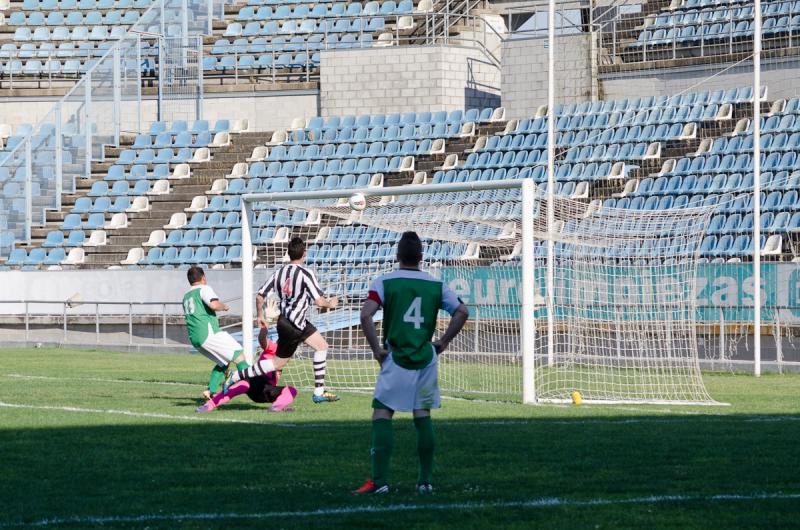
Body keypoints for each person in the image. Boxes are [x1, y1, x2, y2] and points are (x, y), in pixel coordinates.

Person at [354, 231, 469, 494]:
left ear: (397, 256)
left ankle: (380, 482)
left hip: (397, 358)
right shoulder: (436, 285)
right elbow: (462, 311)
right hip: (425, 358)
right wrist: (442, 343)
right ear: (421, 257)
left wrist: (376, 350)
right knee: (422, 415)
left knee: (382, 413)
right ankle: (425, 481)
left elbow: (365, 315)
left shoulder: (384, 282)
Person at [226, 236, 340, 403]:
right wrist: (331, 303)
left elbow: (259, 296)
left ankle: (319, 392)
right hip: (294, 325)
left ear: (288, 253)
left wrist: (260, 316)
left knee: (321, 346)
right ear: (304, 253)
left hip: (290, 321)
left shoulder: (279, 272)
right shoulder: (306, 273)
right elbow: (319, 301)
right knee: (277, 364)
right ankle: (237, 375)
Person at [182, 266, 249, 398]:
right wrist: (224, 306)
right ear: (204, 277)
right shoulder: (204, 288)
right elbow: (214, 305)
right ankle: (256, 385)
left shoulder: (186, 296)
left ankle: (210, 391)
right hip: (209, 334)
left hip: (195, 339)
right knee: (239, 355)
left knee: (223, 362)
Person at [196, 338, 297, 413]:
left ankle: (277, 406)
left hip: (265, 391)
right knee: (244, 383)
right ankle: (209, 405)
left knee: (292, 390)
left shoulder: (282, 361)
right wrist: (263, 329)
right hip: (254, 384)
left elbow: (272, 384)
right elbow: (262, 340)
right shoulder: (273, 348)